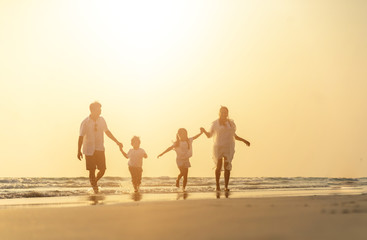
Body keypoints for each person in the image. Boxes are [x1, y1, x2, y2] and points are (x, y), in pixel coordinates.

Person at [201, 106, 250, 191]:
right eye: (222, 112)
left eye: (226, 112)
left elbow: (235, 136)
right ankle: (217, 186)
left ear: (227, 113)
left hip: (228, 146)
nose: (224, 114)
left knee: (227, 166)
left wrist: (244, 141)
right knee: (219, 166)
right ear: (219, 113)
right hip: (218, 146)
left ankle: (226, 186)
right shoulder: (215, 123)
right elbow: (209, 135)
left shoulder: (230, 123)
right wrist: (204, 131)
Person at [77, 101, 123, 193]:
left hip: (99, 148)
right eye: (99, 109)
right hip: (89, 150)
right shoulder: (85, 122)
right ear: (93, 110)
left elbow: (107, 132)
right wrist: (78, 150)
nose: (100, 111)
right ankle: (95, 189)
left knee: (102, 170)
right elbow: (81, 137)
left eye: (100, 109)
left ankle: (94, 182)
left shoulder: (102, 120)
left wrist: (117, 141)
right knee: (92, 170)